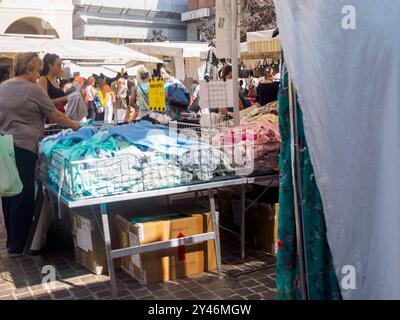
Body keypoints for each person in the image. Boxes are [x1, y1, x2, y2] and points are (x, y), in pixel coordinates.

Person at [0, 52, 80, 257]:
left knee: (9, 193)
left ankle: (13, 240)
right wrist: (75, 125)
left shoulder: (3, 87)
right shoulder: (32, 90)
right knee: (24, 195)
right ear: (28, 69)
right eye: (36, 70)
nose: (38, 75)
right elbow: (55, 115)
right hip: (24, 146)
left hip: (5, 145)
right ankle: (20, 244)